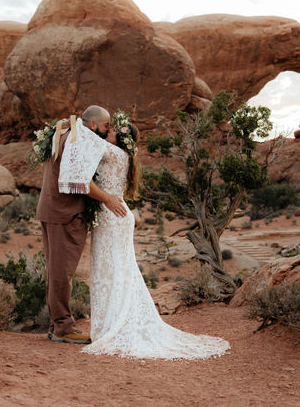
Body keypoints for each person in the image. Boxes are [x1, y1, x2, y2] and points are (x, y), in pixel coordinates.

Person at [83, 114, 230, 360]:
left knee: (111, 271)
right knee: (116, 270)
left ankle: (111, 326)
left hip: (112, 216)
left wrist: (75, 124)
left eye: (112, 129)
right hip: (116, 216)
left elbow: (87, 136)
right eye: (108, 128)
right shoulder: (121, 154)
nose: (107, 130)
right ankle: (109, 324)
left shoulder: (112, 152)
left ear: (119, 138)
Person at [36, 105, 127, 344]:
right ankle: (63, 327)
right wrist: (107, 198)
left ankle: (56, 323)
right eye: (106, 125)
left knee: (56, 270)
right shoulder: (80, 139)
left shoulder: (66, 132)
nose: (108, 129)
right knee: (61, 273)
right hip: (65, 215)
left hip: (51, 210)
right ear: (94, 125)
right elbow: (79, 180)